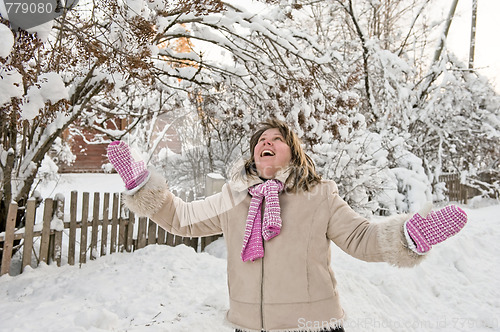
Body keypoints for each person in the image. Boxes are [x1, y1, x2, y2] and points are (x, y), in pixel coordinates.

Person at [106, 118, 467, 332]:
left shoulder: (320, 195)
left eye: (277, 138)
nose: (267, 141)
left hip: (310, 327)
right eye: (261, 140)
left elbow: (361, 237)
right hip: (248, 326)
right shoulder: (233, 197)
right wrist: (143, 186)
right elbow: (182, 218)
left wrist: (407, 235)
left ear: (293, 152)